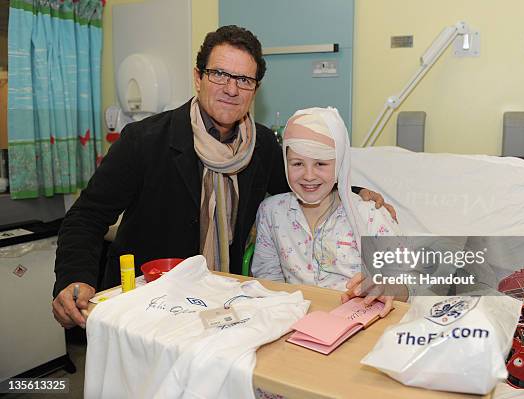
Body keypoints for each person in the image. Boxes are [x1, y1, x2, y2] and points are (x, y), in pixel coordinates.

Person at [52, 25, 395, 329]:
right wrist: (73, 278)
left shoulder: (262, 148)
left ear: (254, 90)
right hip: (150, 300)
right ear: (198, 77)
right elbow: (86, 216)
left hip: (221, 303)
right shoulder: (145, 141)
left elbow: (303, 183)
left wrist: (356, 191)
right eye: (219, 74)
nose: (231, 89)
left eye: (244, 80)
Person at [252, 107, 406, 317]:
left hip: (357, 323)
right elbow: (268, 281)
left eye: (320, 164)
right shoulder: (272, 212)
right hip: (292, 322)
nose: (308, 175)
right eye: (297, 163)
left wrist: (388, 287)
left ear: (339, 164)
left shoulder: (370, 216)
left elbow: (407, 285)